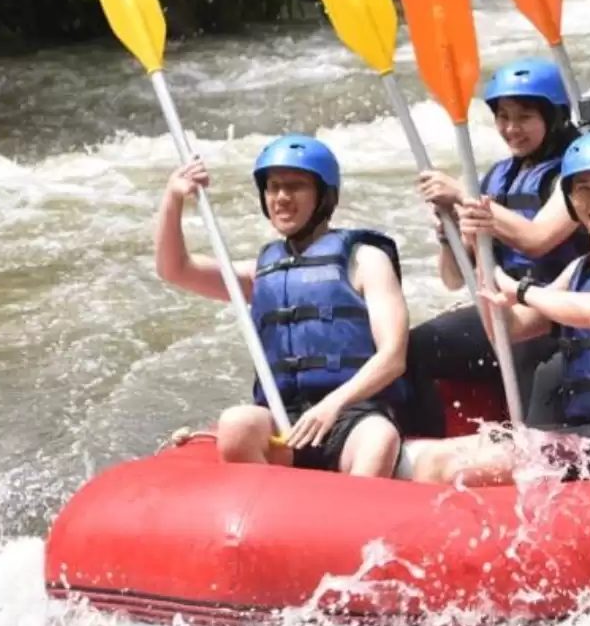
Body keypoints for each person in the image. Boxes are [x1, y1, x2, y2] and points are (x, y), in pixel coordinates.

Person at [407, 130, 590, 487]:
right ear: (569, 198)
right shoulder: (582, 268)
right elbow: (508, 330)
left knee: (450, 468)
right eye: (584, 189)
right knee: (433, 459)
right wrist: (479, 251)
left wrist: (521, 288)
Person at [153, 135, 409, 477]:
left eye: (295, 187)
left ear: (324, 195)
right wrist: (173, 198)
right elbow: (175, 269)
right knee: (236, 423)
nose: (281, 198)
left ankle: (354, 521)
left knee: (380, 439)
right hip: (284, 418)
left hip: (352, 415)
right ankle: (275, 517)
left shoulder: (366, 261)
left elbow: (392, 358)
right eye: (273, 188)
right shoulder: (261, 272)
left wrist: (332, 406)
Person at [407, 57, 590, 430]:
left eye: (524, 116)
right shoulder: (498, 176)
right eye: (503, 117)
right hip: (502, 309)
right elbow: (453, 280)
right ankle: (424, 445)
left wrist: (461, 194)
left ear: (553, 116)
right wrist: (449, 234)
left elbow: (537, 240)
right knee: (413, 348)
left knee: (526, 355)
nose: (511, 128)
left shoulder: (578, 173)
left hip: (556, 311)